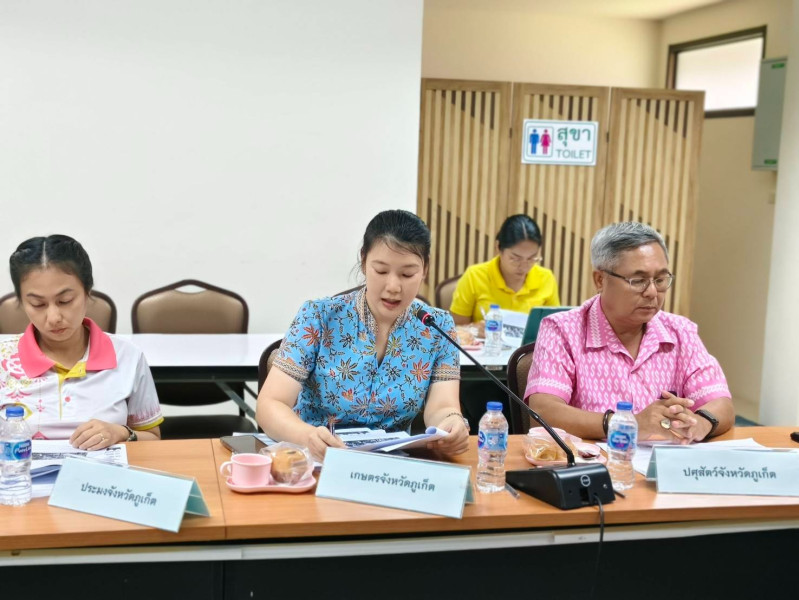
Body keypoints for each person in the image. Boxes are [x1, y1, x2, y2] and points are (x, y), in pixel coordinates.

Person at [257, 210, 469, 460]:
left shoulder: (437, 326)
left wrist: (452, 423)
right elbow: (271, 404)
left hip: (391, 466)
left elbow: (442, 407)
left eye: (407, 274)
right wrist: (308, 436)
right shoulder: (319, 316)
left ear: (425, 269)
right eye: (381, 271)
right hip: (318, 461)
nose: (393, 286)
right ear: (363, 261)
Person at [525, 222, 734, 443]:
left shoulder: (680, 332)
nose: (652, 292)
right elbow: (543, 412)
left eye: (660, 280)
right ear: (600, 280)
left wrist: (700, 423)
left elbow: (721, 403)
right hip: (593, 462)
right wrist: (626, 424)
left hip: (661, 461)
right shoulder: (562, 330)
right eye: (638, 281)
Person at [0, 235, 162, 448]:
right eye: (38, 304)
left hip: (103, 470)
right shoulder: (3, 360)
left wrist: (121, 432)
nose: (54, 317)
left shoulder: (127, 356)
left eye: (65, 301)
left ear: (87, 291)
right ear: (21, 302)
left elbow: (153, 439)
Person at [449, 214, 559, 328]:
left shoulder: (546, 278)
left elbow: (555, 328)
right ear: (498, 247)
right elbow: (454, 329)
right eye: (515, 259)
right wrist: (474, 328)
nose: (524, 266)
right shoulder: (474, 276)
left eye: (532, 258)